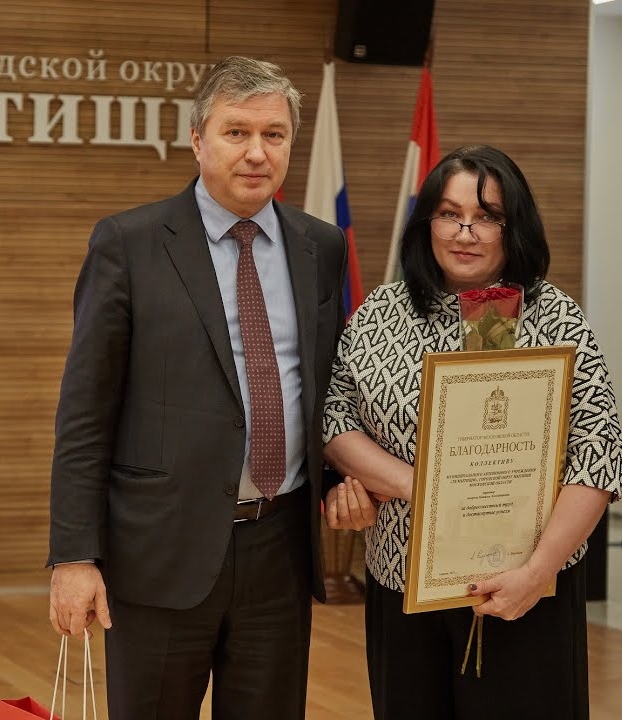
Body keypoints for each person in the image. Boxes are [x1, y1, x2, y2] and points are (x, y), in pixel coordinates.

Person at [45, 55, 378, 720]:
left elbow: (324, 385)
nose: (257, 152)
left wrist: (344, 477)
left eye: (274, 135)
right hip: (160, 552)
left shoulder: (320, 247)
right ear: (198, 139)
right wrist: (74, 556)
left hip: (280, 549)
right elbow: (85, 412)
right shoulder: (130, 243)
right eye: (237, 132)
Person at [323, 144, 622, 719]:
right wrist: (424, 489)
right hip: (404, 582)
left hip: (528, 588)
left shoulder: (557, 318)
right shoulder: (381, 312)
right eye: (449, 213)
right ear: (426, 223)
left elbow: (599, 454)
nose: (465, 233)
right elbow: (335, 419)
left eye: (487, 217)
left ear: (516, 227)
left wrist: (537, 572)